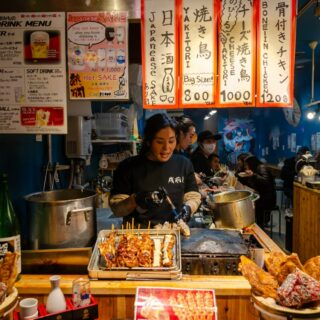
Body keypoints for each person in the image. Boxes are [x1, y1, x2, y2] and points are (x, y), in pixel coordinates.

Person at [109, 113, 201, 228]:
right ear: (148, 141)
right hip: (138, 238)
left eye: (171, 141)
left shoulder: (184, 164)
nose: (166, 148)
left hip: (173, 233)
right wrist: (135, 200)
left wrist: (188, 207)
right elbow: (116, 209)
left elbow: (193, 195)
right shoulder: (128, 167)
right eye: (159, 142)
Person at [241, 155, 276, 228]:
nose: (245, 167)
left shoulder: (261, 168)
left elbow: (265, 182)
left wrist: (253, 175)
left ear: (251, 163)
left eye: (246, 164)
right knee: (247, 201)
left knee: (250, 204)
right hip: (261, 195)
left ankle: (259, 227)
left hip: (267, 199)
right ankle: (254, 226)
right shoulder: (256, 169)